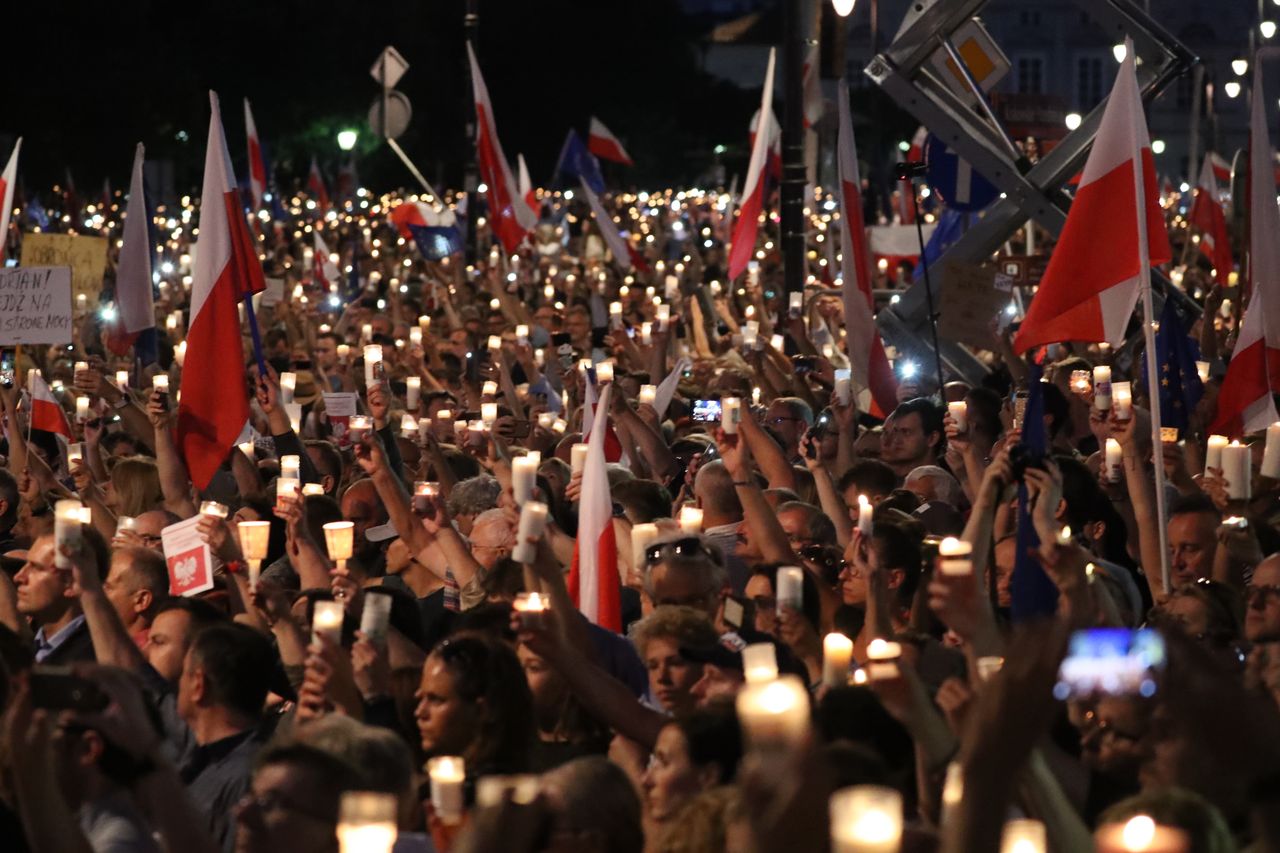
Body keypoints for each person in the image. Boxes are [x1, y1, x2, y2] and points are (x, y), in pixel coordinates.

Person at [880, 398, 945, 480]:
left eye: (906, 432)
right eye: (896, 431)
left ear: (932, 438)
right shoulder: (885, 482)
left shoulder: (943, 485)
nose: (896, 440)